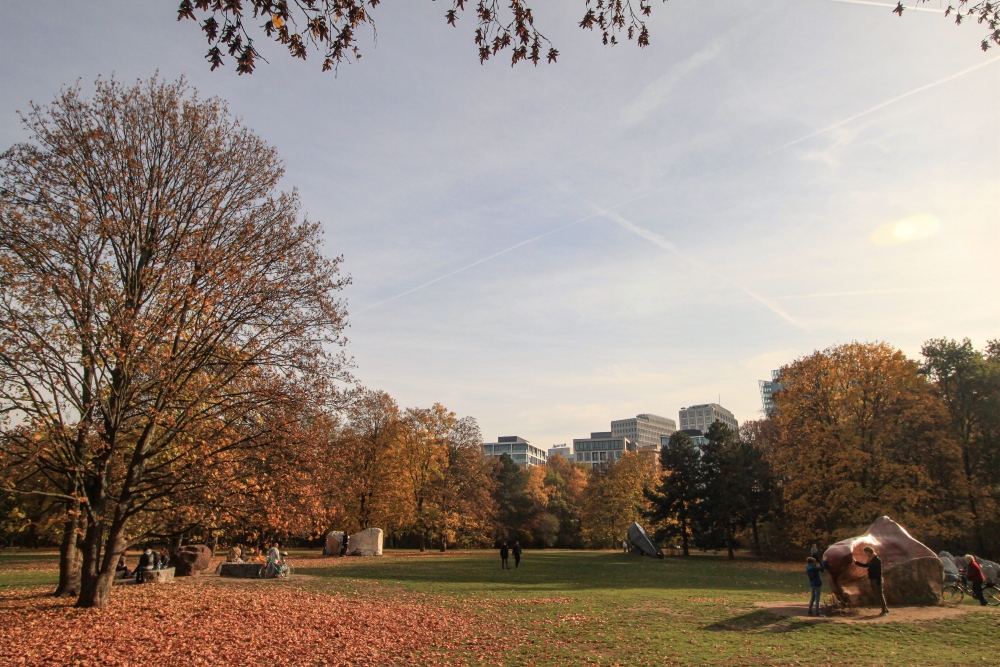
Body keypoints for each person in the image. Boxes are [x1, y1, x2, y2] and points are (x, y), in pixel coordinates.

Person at [854, 546, 888, 616]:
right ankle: (885, 609)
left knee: (880, 595)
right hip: (872, 578)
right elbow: (866, 565)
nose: (866, 554)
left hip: (876, 579)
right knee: (877, 594)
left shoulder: (876, 559)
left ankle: (884, 611)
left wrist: (879, 581)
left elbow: (879, 571)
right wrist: (856, 562)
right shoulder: (870, 559)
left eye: (866, 552)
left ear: (870, 552)